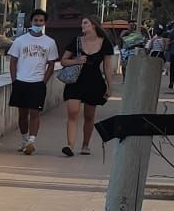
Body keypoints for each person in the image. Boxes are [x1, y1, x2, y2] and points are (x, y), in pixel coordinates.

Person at [57, 15, 115, 156]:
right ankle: (69, 145)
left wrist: (110, 86)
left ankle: (85, 145)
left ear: (93, 25)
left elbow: (107, 67)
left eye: (85, 23)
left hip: (94, 81)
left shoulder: (105, 43)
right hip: (75, 81)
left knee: (89, 115)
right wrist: (76, 60)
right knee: (73, 112)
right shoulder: (76, 41)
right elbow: (63, 61)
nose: (82, 25)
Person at [7, 10, 59, 154]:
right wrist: (14, 80)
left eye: (41, 21)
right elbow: (13, 61)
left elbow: (51, 63)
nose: (38, 23)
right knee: (22, 114)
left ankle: (32, 140)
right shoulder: (20, 41)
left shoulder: (49, 42)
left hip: (37, 82)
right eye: (36, 20)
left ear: (44, 23)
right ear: (31, 22)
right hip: (21, 81)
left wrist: (44, 81)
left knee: (34, 113)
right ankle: (24, 139)